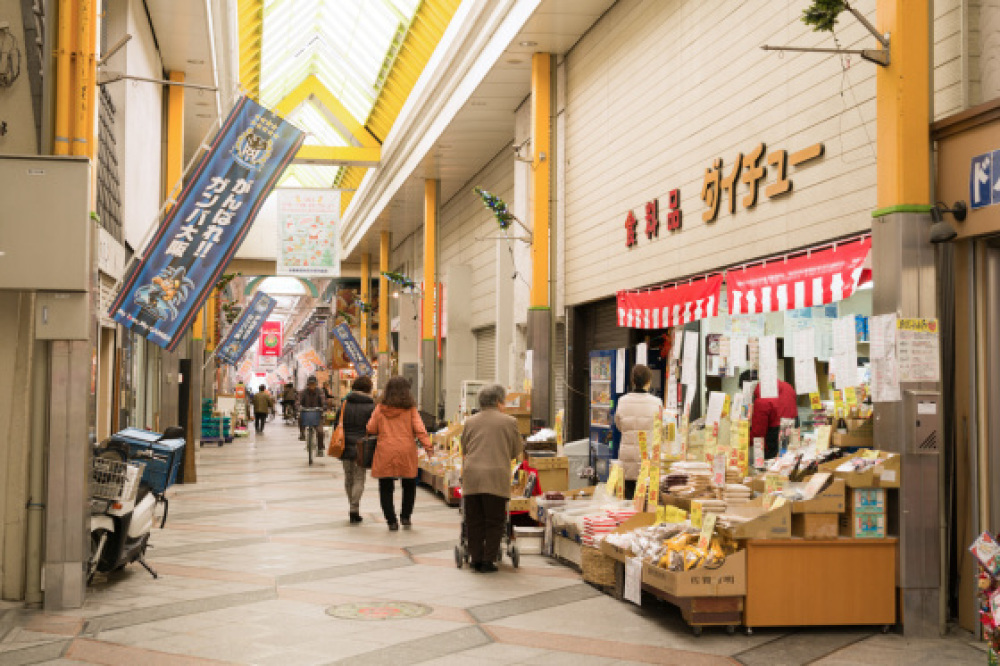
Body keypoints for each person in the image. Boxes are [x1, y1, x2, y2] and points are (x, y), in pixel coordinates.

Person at [459, 384, 523, 573]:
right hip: (496, 476)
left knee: (474, 520)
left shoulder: (470, 421)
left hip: (472, 476)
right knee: (495, 521)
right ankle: (488, 560)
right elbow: (516, 450)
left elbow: (465, 447)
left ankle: (475, 559)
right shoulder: (509, 422)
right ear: (498, 401)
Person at [366, 376, 432, 531]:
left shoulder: (380, 408)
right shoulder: (410, 409)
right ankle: (406, 517)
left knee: (386, 486)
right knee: (409, 484)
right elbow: (420, 429)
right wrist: (428, 447)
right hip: (406, 450)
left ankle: (391, 521)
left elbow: (371, 428)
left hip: (385, 450)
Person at [614, 364, 661, 500]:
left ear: (633, 381)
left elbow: (619, 425)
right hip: (647, 460)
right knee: (646, 503)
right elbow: (659, 429)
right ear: (649, 381)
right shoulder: (656, 402)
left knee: (628, 501)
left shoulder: (622, 401)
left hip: (627, 459)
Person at [334, 376, 376, 523]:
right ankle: (354, 508)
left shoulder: (345, 404)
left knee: (348, 477)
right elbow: (374, 428)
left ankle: (352, 506)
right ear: (368, 389)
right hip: (362, 447)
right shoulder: (372, 407)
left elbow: (336, 424)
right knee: (359, 478)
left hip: (345, 445)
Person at [744, 370, 798, 460]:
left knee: (773, 469)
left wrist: (743, 441)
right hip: (792, 436)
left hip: (774, 440)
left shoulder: (762, 399)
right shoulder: (788, 387)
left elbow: (758, 433)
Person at [298, 376, 327, 455]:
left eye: (313, 384)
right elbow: (298, 401)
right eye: (310, 384)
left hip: (317, 413)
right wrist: (298, 407)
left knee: (320, 431)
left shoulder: (320, 392)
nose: (312, 386)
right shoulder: (303, 392)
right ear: (308, 384)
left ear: (316, 384)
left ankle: (320, 449)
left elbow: (323, 401)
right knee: (299, 417)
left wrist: (323, 407)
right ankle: (302, 433)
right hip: (306, 412)